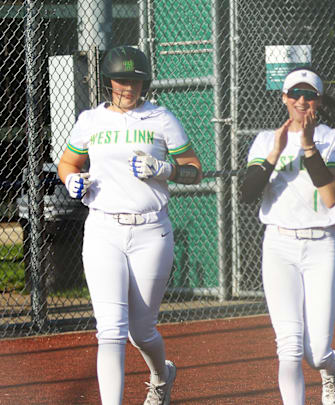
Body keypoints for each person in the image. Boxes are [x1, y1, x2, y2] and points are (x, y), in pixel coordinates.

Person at [57, 45, 203, 405]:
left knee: (141, 330)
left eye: (135, 82)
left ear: (145, 84)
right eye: (121, 81)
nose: (128, 88)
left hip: (151, 232)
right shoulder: (91, 120)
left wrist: (164, 169)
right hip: (104, 229)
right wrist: (71, 181)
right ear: (109, 82)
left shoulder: (161, 119)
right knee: (110, 330)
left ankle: (161, 374)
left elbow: (195, 169)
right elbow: (67, 163)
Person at [240, 68, 335, 405]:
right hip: (279, 244)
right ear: (284, 98)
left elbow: (331, 194)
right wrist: (274, 154)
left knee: (317, 352)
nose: (301, 101)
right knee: (289, 346)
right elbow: (248, 194)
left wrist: (307, 147)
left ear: (318, 100)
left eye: (309, 95)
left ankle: (332, 369)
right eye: (295, 94)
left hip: (321, 245)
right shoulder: (265, 140)